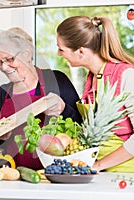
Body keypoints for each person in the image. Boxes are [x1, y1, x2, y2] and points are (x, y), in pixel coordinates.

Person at [0, 27, 82, 170]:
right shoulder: (1, 93)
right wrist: (1, 137)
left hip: (54, 173)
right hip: (12, 176)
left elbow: (81, 127)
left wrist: (63, 109)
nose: (4, 67)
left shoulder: (57, 80)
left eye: (9, 59)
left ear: (27, 54)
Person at [56, 16, 134, 172]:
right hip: (102, 170)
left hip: (126, 174)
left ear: (81, 51)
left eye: (61, 49)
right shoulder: (92, 77)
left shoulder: (126, 76)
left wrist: (97, 165)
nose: (58, 54)